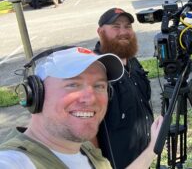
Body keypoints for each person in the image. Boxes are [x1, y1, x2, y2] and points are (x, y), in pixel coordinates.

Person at [0, 46, 163, 168]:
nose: (91, 98)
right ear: (34, 94)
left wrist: (152, 149)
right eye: (73, 84)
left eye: (99, 86)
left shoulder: (85, 150)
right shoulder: (14, 161)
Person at [93, 7, 155, 169]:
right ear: (100, 32)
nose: (123, 32)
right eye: (116, 27)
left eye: (128, 26)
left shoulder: (133, 62)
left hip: (144, 158)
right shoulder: (94, 71)